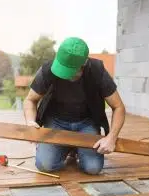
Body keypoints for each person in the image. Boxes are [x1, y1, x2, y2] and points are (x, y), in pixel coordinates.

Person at [23, 37, 125, 175]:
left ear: (83, 65)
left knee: (93, 168)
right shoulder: (48, 69)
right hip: (55, 121)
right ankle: (67, 148)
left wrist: (111, 138)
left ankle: (74, 148)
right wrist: (30, 122)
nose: (62, 74)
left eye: (68, 71)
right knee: (45, 165)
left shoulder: (97, 71)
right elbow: (30, 100)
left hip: (86, 123)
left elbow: (118, 107)